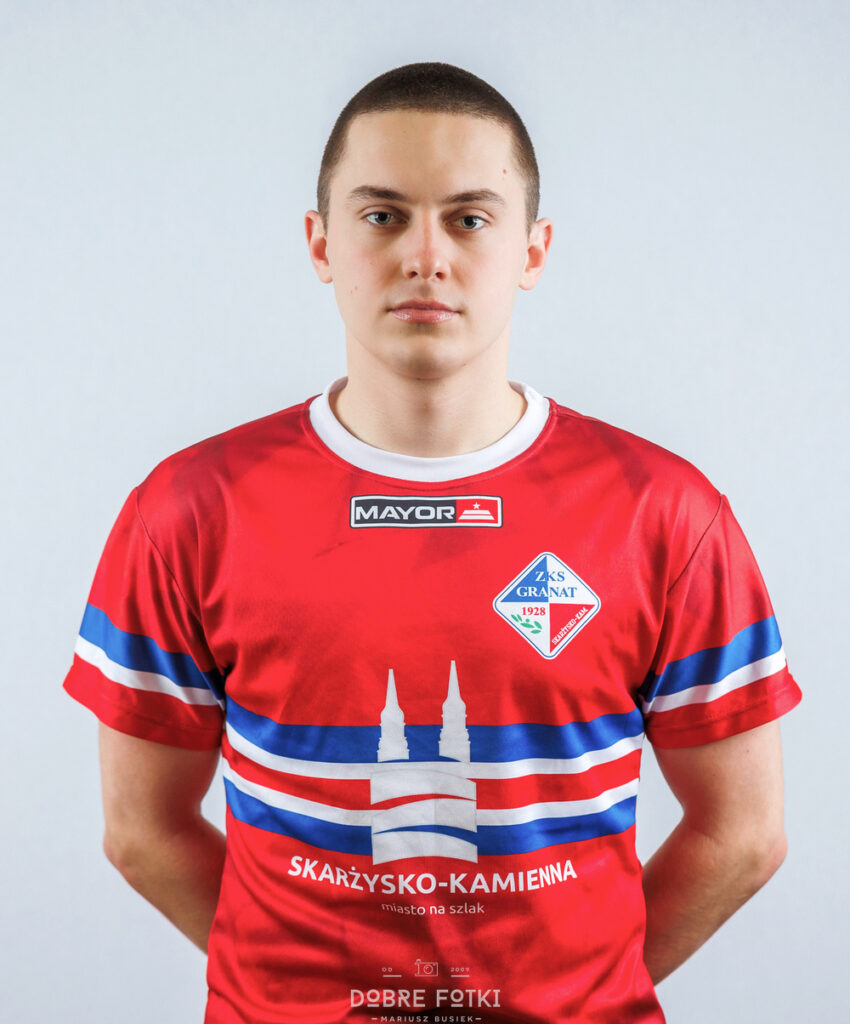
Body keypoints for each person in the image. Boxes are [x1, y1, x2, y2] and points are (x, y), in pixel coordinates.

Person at [63, 61, 802, 1024]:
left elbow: (743, 835)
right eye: (382, 216)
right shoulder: (188, 511)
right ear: (320, 242)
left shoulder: (665, 516)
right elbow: (143, 832)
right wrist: (288, 994)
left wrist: (577, 997)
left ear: (532, 249)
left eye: (469, 218)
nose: (425, 256)